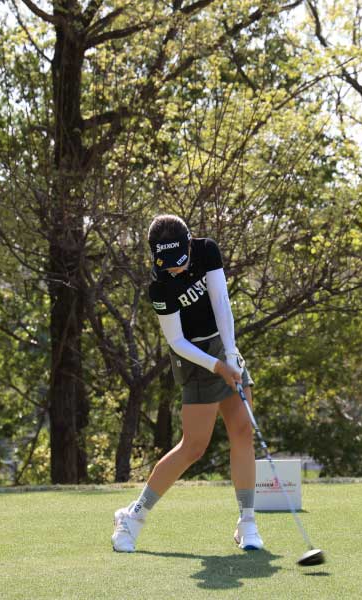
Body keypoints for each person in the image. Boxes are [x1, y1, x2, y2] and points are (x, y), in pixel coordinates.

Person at [111, 214, 262, 552]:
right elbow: (177, 341)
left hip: (222, 343)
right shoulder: (159, 287)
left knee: (243, 430)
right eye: (168, 263)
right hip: (192, 355)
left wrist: (230, 353)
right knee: (194, 446)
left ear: (189, 243)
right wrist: (217, 366)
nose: (176, 269)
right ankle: (132, 518)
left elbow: (221, 303)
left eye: (180, 260)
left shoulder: (207, 250)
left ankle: (247, 522)